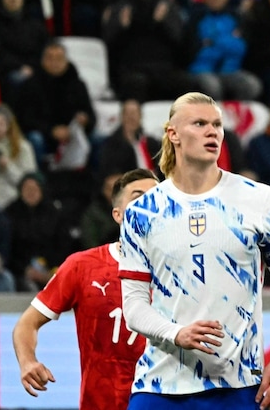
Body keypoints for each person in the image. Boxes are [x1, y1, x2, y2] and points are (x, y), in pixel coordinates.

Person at [118, 92, 270, 409]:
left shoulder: (258, 199)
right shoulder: (143, 212)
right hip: (158, 386)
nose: (212, 131)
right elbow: (133, 305)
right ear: (173, 134)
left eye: (217, 124)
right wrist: (176, 333)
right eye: (200, 123)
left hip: (237, 386)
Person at [12, 168, 159, 409]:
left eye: (156, 198)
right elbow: (27, 323)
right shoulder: (83, 266)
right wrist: (28, 361)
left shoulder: (185, 272)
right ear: (118, 214)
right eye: (137, 197)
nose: (148, 204)